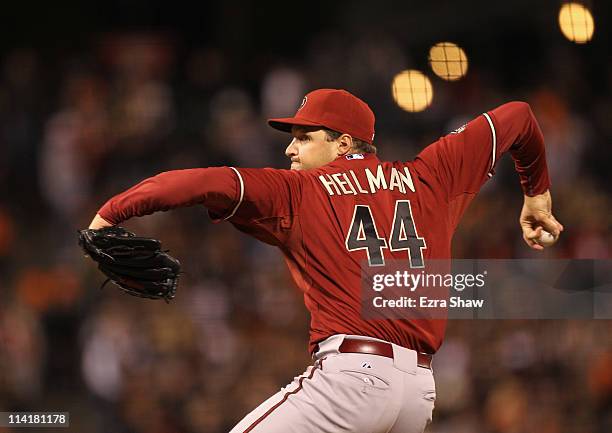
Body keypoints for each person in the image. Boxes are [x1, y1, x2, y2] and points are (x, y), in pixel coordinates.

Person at [88, 88, 563, 433]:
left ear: (344, 143)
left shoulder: (299, 190)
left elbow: (197, 182)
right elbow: (519, 116)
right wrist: (536, 195)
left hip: (352, 380)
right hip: (417, 396)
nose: (289, 148)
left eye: (304, 136)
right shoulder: (431, 176)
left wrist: (110, 214)